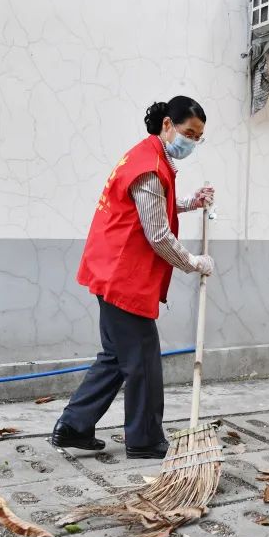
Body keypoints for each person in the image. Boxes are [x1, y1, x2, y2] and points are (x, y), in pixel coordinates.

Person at [51, 96, 216, 459]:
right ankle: (144, 440)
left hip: (111, 269)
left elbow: (155, 205)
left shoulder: (149, 157)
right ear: (168, 124)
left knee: (117, 355)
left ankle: (74, 426)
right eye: (188, 132)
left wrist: (191, 201)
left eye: (198, 137)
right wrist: (194, 262)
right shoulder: (149, 166)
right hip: (122, 276)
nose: (191, 141)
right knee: (142, 359)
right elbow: (157, 235)